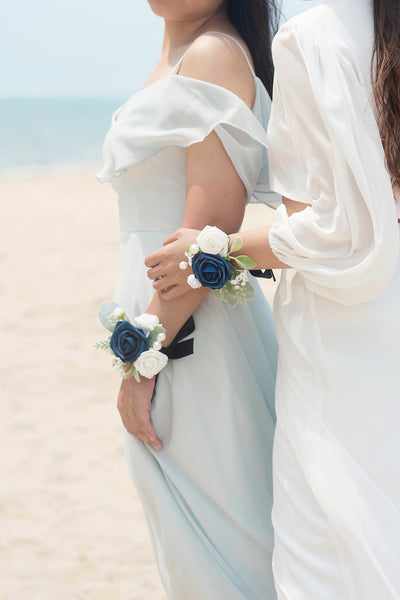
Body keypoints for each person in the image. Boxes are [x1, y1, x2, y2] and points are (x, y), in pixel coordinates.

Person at [146, 0, 400, 597]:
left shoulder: (312, 38)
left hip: (340, 344)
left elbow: (342, 233)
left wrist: (217, 253)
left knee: (334, 555)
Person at [96, 1, 281, 598]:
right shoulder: (187, 51)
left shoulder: (211, 53)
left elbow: (207, 239)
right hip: (172, 328)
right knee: (195, 543)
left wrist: (141, 362)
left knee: (224, 546)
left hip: (188, 335)